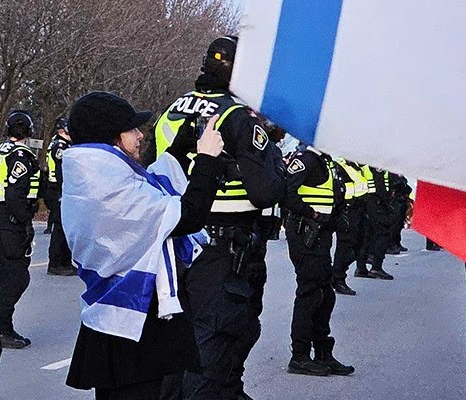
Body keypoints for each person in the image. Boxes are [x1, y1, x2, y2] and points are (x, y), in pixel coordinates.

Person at [62, 91, 226, 400]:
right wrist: (206, 160)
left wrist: (179, 150)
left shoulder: (97, 173)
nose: (140, 136)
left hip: (121, 326)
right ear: (112, 136)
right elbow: (184, 217)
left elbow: (154, 188)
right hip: (134, 325)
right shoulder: (106, 184)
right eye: (132, 129)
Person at [152, 35, 285, 400]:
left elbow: (155, 166)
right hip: (224, 249)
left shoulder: (172, 109)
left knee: (179, 350)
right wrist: (275, 154)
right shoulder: (238, 116)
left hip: (179, 241)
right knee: (214, 349)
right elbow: (266, 191)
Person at [281, 146, 353, 377]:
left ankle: (323, 353)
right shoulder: (306, 159)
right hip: (305, 233)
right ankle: (300, 356)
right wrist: (311, 214)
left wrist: (335, 219)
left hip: (321, 235)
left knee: (325, 294)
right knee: (310, 293)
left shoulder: (325, 162)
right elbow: (287, 191)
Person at [0, 110, 41, 348]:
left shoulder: (0, 152)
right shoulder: (21, 156)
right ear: (29, 131)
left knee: (6, 274)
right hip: (11, 220)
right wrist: (25, 218)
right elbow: (14, 193)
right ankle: (1, 329)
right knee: (15, 277)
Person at [330, 157, 370, 296]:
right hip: (348, 208)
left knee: (360, 244)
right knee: (346, 245)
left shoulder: (357, 165)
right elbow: (340, 189)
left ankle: (335, 272)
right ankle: (338, 278)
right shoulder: (341, 166)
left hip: (359, 208)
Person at [44, 118, 75, 276]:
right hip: (57, 188)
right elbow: (63, 169)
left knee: (66, 227)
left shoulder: (64, 144)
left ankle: (65, 261)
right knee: (60, 228)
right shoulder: (60, 145)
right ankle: (56, 263)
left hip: (60, 189)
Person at [357, 167, 397, 280]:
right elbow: (380, 186)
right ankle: (376, 267)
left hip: (369, 202)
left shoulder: (365, 162)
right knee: (383, 233)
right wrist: (387, 203)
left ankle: (361, 267)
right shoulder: (377, 164)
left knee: (368, 235)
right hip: (377, 203)